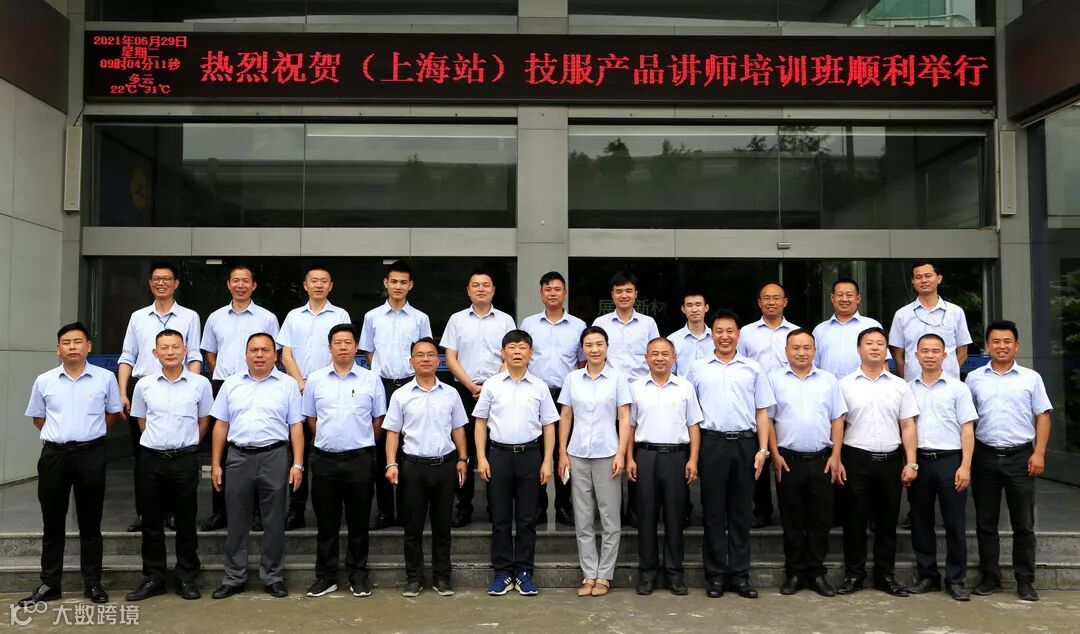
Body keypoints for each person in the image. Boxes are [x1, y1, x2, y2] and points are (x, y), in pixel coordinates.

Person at [19, 323, 123, 607]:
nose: (72, 346)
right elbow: (38, 418)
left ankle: (93, 583)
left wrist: (92, 433)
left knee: (91, 522)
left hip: (91, 454)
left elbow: (113, 413)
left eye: (78, 341)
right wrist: (61, 435)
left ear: (89, 346)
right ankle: (50, 583)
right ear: (58, 349)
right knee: (52, 522)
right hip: (55, 456)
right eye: (66, 342)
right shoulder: (45, 380)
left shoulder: (105, 378)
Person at [686, 309, 774, 599]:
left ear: (738, 334)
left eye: (730, 331)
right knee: (713, 513)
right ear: (712, 335)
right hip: (712, 444)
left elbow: (762, 412)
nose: (725, 336)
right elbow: (690, 414)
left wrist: (763, 449)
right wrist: (693, 454)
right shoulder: (697, 368)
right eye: (719, 331)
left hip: (745, 444)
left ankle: (739, 576)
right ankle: (714, 576)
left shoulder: (753, 368)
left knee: (740, 513)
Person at [209, 333, 305, 600]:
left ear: (275, 355)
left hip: (274, 456)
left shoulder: (287, 385)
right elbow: (221, 425)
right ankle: (233, 577)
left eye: (265, 350)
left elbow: (296, 426)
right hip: (238, 457)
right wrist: (215, 464)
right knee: (236, 520)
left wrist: (297, 464)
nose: (259, 355)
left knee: (274, 520)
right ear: (246, 355)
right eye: (254, 350)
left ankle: (273, 577)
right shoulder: (231, 384)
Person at [966, 320, 1052, 602]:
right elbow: (967, 421)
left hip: (1020, 457)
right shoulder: (974, 378)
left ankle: (1025, 581)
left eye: (1007, 342)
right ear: (987, 346)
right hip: (984, 456)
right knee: (985, 522)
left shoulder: (1031, 378)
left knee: (1023, 524)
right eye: (995, 342)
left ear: (1016, 345)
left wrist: (1039, 452)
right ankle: (990, 577)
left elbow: (1043, 415)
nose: (1001, 346)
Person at [125, 329, 214, 602]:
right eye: (164, 348)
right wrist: (158, 443)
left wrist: (187, 444)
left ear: (185, 350)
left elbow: (204, 421)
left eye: (176, 347)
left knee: (186, 520)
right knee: (152, 521)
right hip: (151, 459)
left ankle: (186, 577)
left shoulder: (200, 384)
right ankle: (154, 577)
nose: (171, 352)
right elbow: (141, 421)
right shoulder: (144, 385)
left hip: (185, 459)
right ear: (155, 353)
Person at [302, 324, 386, 599]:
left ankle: (358, 575)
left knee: (359, 522)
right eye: (337, 343)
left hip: (360, 460)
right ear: (329, 348)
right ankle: (325, 577)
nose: (342, 347)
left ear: (356, 346)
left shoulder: (371, 379)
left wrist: (359, 442)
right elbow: (311, 419)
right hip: (324, 460)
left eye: (348, 342)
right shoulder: (316, 379)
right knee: (326, 523)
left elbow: (378, 420)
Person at [118, 261, 202, 533]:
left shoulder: (190, 316)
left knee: (179, 456)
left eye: (167, 279)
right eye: (156, 279)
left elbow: (194, 354)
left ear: (176, 283)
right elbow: (127, 356)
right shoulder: (138, 317)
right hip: (144, 389)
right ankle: (146, 513)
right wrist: (122, 391)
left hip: (180, 387)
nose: (161, 283)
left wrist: (193, 387)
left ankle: (176, 513)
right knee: (144, 455)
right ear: (150, 283)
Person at [474, 330, 559, 597]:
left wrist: (547, 460)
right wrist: (481, 458)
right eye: (512, 347)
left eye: (523, 347)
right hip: (498, 455)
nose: (518, 352)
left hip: (530, 455)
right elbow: (480, 422)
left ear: (531, 353)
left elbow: (549, 425)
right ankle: (502, 573)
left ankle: (524, 572)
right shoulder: (492, 385)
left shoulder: (540, 386)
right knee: (500, 518)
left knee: (526, 518)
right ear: (503, 352)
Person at [383, 337, 469, 598]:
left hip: (445, 466)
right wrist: (391, 463)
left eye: (431, 354)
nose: (425, 359)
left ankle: (442, 577)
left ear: (438, 360)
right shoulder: (401, 395)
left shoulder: (451, 393)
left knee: (443, 527)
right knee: (413, 528)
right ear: (411, 361)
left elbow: (458, 429)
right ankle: (414, 578)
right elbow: (392, 432)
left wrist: (463, 459)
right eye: (419, 355)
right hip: (413, 467)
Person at [837, 327, 919, 597]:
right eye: (869, 343)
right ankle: (854, 575)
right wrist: (836, 458)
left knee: (887, 522)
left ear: (886, 350)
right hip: (855, 458)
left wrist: (911, 462)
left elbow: (907, 425)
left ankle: (885, 576)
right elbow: (837, 425)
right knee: (854, 521)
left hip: (890, 461)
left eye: (880, 343)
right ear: (858, 349)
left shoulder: (899, 385)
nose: (875, 347)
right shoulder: (844, 385)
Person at [200, 264, 280, 532]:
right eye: (236, 280)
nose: (241, 285)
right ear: (228, 284)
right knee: (222, 451)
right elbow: (210, 353)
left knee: (255, 447)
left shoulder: (267, 318)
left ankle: (257, 512)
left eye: (246, 281)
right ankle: (220, 512)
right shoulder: (215, 318)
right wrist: (226, 379)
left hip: (259, 383)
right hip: (225, 384)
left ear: (254, 285)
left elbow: (274, 353)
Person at [768, 329, 847, 598]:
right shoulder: (774, 380)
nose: (801, 353)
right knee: (792, 520)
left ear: (814, 350)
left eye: (806, 348)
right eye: (795, 348)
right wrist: (774, 454)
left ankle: (816, 573)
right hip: (788, 460)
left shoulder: (828, 380)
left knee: (820, 520)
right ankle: (794, 573)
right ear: (786, 351)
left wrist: (836, 455)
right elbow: (768, 420)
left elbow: (837, 419)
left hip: (822, 460)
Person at [556, 326, 632, 598]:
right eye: (589, 345)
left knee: (610, 518)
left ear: (607, 347)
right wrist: (562, 452)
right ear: (583, 349)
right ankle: (589, 573)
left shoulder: (618, 378)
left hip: (608, 453)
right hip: (577, 453)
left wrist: (621, 453)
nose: (595, 349)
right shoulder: (573, 378)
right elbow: (566, 416)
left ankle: (604, 575)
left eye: (599, 344)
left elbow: (624, 418)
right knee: (583, 517)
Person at [359, 260, 432, 530]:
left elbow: (426, 353)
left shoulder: (420, 318)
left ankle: (407, 510)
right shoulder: (372, 317)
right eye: (394, 281)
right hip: (381, 387)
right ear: (386, 283)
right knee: (381, 450)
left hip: (410, 386)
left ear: (410, 285)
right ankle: (385, 511)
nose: (398, 286)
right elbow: (369, 353)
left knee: (408, 449)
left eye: (403, 282)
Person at [277, 266, 351, 530]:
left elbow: (342, 350)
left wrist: (318, 382)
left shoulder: (340, 314)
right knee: (297, 451)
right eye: (314, 281)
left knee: (325, 450)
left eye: (323, 281)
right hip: (298, 389)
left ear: (330, 286)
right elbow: (286, 354)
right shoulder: (293, 316)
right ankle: (296, 510)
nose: (318, 285)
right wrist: (300, 382)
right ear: (305, 285)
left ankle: (330, 509)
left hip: (329, 389)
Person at [627, 337, 703, 596]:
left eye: (664, 354)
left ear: (674, 358)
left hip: (676, 457)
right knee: (646, 517)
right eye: (654, 354)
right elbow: (630, 426)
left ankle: (674, 574)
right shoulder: (636, 388)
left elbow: (694, 425)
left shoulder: (685, 387)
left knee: (674, 517)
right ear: (646, 358)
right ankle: (647, 574)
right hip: (645, 456)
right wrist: (629, 458)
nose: (659, 358)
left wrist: (693, 459)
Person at [442, 269, 516, 528]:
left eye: (486, 285)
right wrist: (471, 385)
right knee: (464, 449)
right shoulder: (456, 320)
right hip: (464, 391)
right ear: (468, 290)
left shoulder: (505, 320)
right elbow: (450, 357)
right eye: (476, 285)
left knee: (494, 448)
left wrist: (490, 386)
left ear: (493, 290)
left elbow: (511, 355)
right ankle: (464, 505)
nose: (481, 289)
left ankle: (496, 506)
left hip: (498, 390)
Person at [906, 333, 977, 601]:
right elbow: (905, 427)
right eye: (924, 351)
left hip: (951, 461)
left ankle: (956, 579)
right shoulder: (907, 389)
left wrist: (965, 466)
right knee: (920, 521)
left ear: (945, 355)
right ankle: (928, 576)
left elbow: (967, 429)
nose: (930, 355)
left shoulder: (958, 388)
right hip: (920, 462)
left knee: (954, 522)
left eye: (935, 351)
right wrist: (909, 463)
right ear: (916, 355)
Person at [593, 271, 659, 527]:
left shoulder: (648, 323)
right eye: (619, 291)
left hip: (642, 392)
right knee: (611, 450)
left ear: (636, 294)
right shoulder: (601, 322)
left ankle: (635, 508)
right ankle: (612, 509)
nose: (624, 295)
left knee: (636, 451)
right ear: (612, 295)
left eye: (628, 291)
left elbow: (656, 354)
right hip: (609, 393)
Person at [520, 271, 586, 526]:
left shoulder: (578, 325)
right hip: (536, 394)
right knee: (536, 451)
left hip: (566, 397)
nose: (552, 293)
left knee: (564, 450)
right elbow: (522, 358)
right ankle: (537, 506)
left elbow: (581, 363)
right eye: (547, 289)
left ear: (565, 293)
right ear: (540, 293)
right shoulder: (529, 324)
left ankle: (564, 506)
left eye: (557, 289)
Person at [738, 282, 798, 530]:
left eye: (776, 298)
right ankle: (761, 510)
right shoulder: (746, 333)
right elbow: (738, 364)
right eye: (766, 298)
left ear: (785, 302)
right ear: (759, 303)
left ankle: (790, 509)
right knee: (760, 455)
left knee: (788, 454)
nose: (771, 302)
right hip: (756, 404)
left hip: (789, 401)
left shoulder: (796, 333)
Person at [888, 261, 972, 382]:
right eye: (918, 277)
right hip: (913, 384)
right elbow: (898, 356)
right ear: (913, 281)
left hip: (948, 384)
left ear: (939, 278)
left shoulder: (955, 312)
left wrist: (948, 373)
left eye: (928, 276)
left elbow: (963, 352)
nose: (923, 280)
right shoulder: (902, 315)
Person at [812, 278, 885, 379]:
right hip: (828, 386)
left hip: (863, 386)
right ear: (832, 298)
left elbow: (883, 361)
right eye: (840, 295)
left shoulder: (872, 326)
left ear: (858, 299)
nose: (844, 299)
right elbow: (813, 364)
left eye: (849, 295)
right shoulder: (820, 330)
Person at [669, 292, 713, 377]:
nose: (694, 309)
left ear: (706, 307)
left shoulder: (716, 338)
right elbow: (670, 372)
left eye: (698, 305)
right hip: (683, 385)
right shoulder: (672, 340)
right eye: (689, 305)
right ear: (683, 309)